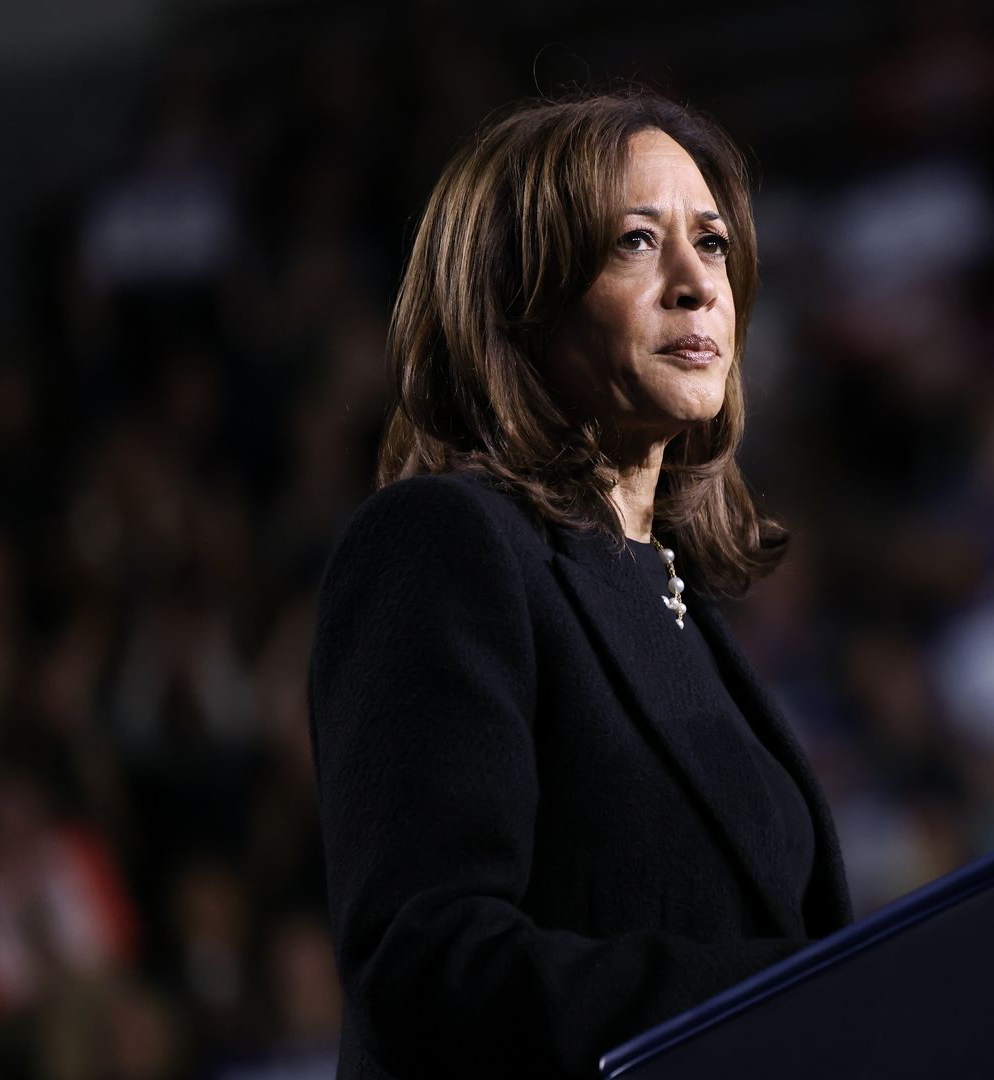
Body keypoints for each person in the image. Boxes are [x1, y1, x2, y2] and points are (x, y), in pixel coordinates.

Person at [306, 90, 852, 1078]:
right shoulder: (443, 544)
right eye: (637, 243)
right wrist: (799, 992)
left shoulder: (670, 591)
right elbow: (427, 966)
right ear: (518, 298)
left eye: (714, 244)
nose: (696, 284)